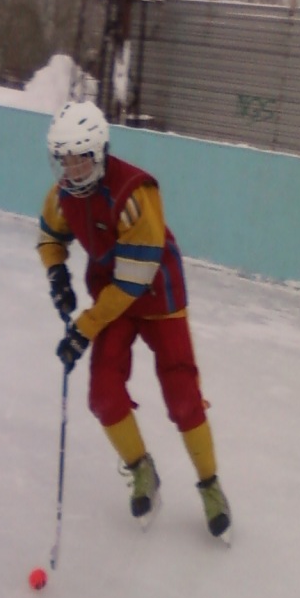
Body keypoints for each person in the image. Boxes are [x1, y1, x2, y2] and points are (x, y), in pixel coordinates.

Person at [37, 100, 231, 537]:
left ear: (99, 153)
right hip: (112, 297)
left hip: (156, 294)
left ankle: (210, 484)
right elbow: (49, 236)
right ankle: (141, 468)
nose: (71, 169)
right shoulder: (64, 196)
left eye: (80, 159)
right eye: (64, 160)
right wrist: (56, 275)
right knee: (103, 395)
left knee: (183, 398)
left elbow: (131, 283)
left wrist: (84, 329)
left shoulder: (135, 195)